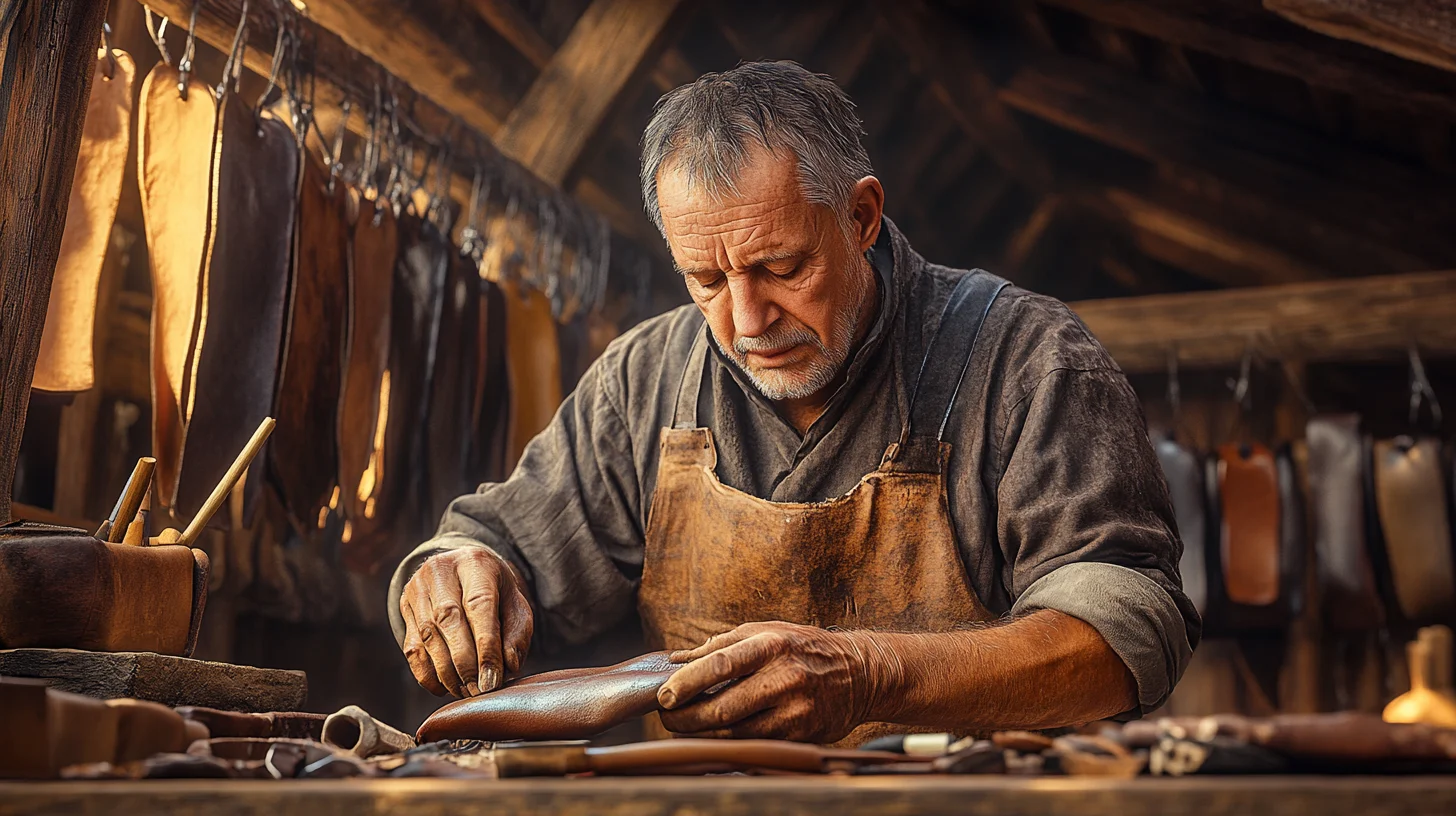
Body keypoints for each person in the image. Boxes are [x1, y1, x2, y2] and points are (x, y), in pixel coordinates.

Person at [388, 60, 1197, 744]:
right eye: (706, 280)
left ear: (862, 217)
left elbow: (1129, 629)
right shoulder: (645, 379)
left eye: (779, 267)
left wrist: (872, 675)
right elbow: (499, 544)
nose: (746, 321)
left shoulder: (1025, 359)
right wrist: (453, 572)